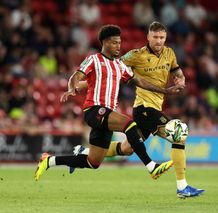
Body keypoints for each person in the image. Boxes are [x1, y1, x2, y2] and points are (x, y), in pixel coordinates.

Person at [71, 22, 205, 198]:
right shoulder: (135, 55)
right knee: (179, 134)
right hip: (144, 108)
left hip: (155, 107)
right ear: (148, 37)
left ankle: (84, 152)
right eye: (155, 37)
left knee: (127, 148)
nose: (158, 41)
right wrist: (80, 85)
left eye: (162, 37)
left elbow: (177, 72)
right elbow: (108, 69)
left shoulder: (169, 53)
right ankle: (182, 187)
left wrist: (181, 79)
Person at [34, 25, 182, 181]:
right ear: (104, 43)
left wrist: (165, 90)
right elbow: (75, 77)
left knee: (93, 162)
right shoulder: (93, 59)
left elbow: (140, 81)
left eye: (119, 42)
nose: (118, 46)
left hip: (106, 115)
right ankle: (152, 166)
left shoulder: (120, 66)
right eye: (114, 43)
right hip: (94, 109)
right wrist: (71, 88)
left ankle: (49, 160)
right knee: (130, 125)